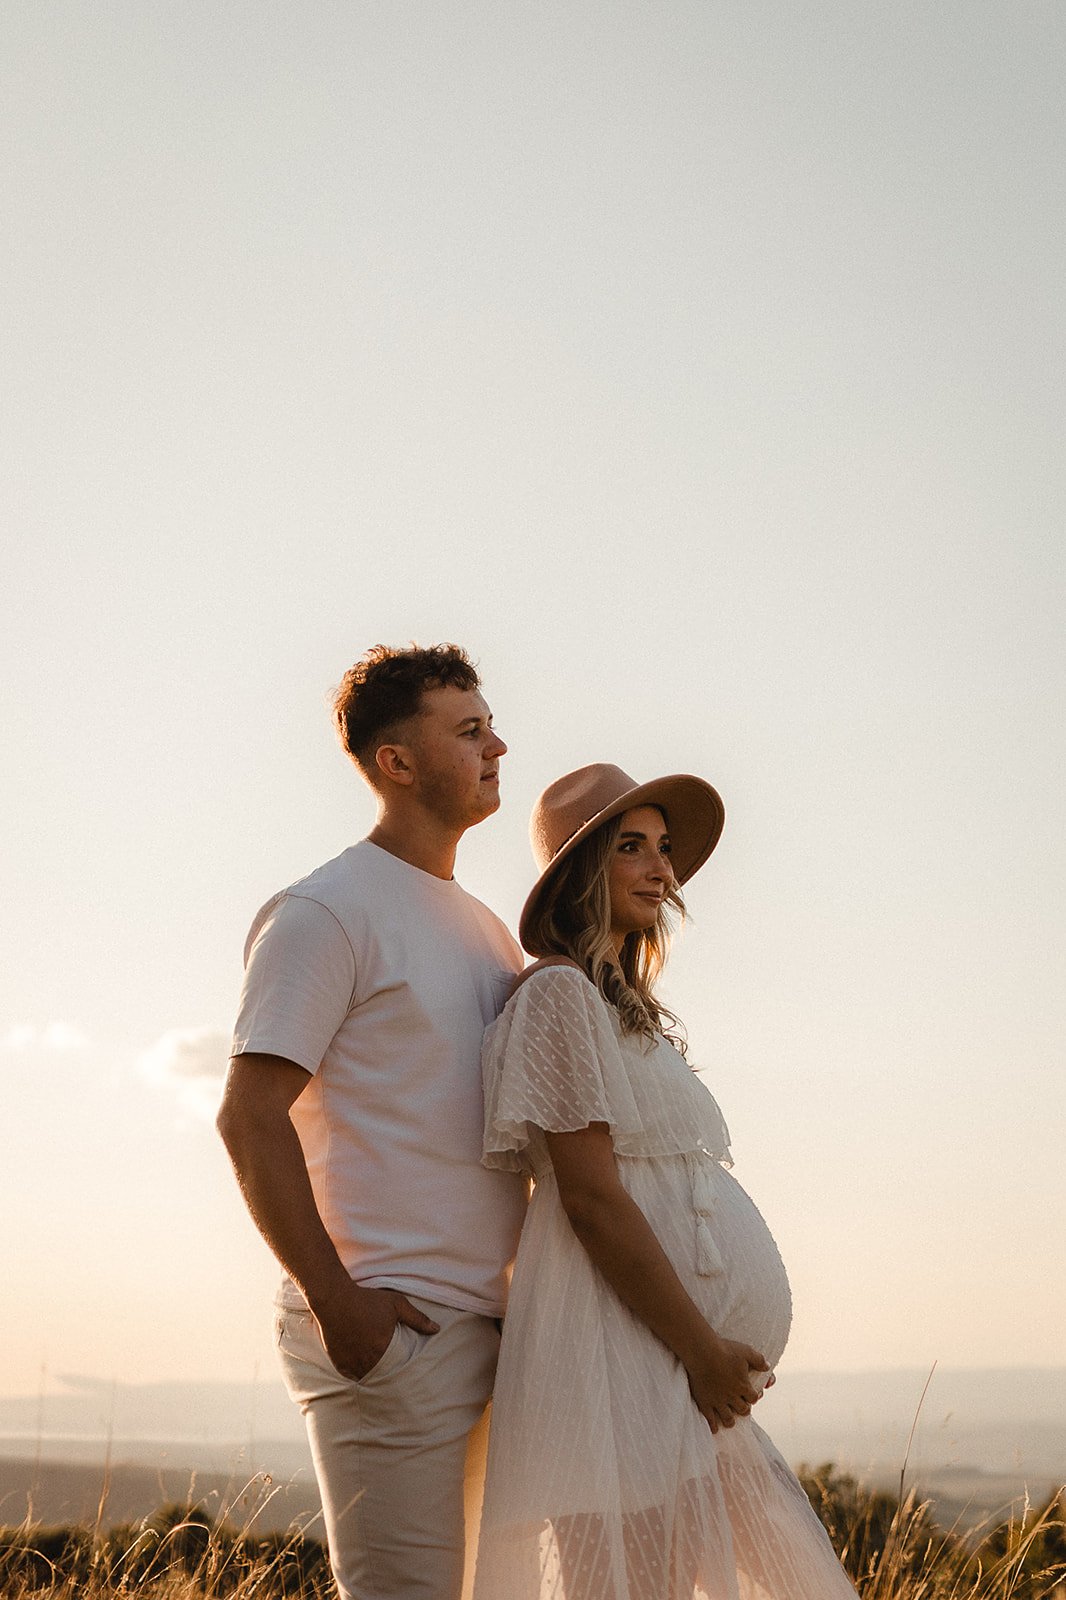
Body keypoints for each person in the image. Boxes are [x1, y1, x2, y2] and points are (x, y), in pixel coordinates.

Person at [472, 763, 860, 1600]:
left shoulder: (618, 1004)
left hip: (669, 1364)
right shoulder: (560, 998)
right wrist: (703, 1349)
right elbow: (592, 1199)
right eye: (631, 847)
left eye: (665, 849)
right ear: (582, 871)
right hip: (619, 1351)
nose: (661, 869)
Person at [217, 643, 527, 1600]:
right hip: (391, 1333)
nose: (497, 745)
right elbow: (249, 1116)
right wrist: (337, 1304)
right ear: (397, 763)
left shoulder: (485, 927)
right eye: (468, 731)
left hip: (493, 1336)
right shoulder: (326, 911)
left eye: (490, 726)